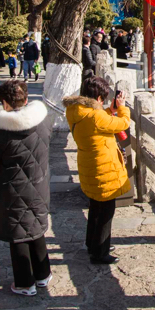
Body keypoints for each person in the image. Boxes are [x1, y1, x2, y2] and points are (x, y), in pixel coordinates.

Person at [0, 80, 52, 295]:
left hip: (13, 187)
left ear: (5, 103)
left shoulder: (1, 130)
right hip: (39, 182)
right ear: (25, 99)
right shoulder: (41, 121)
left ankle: (25, 282)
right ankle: (43, 274)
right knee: (35, 225)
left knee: (19, 233)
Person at [65, 77, 130, 265]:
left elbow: (101, 121)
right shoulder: (95, 116)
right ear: (99, 98)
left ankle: (92, 243)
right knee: (106, 212)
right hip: (104, 169)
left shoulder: (76, 111)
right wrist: (122, 107)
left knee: (95, 207)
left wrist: (111, 110)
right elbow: (122, 123)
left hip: (89, 165)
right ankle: (100, 252)